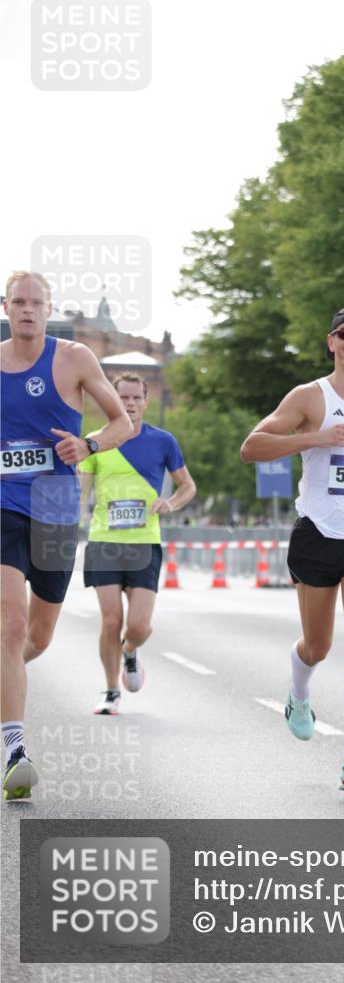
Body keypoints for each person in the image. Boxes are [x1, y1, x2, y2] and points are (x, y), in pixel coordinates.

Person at [240, 307, 344, 792]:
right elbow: (252, 446)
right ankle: (298, 693)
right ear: (332, 342)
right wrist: (317, 438)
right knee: (318, 645)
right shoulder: (311, 396)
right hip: (318, 532)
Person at [1, 271, 132, 801]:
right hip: (3, 505)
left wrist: (90, 445)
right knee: (9, 626)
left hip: (55, 508)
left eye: (36, 302)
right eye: (18, 302)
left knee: (37, 638)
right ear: (6, 307)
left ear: (48, 308)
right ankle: (14, 753)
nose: (27, 310)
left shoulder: (75, 357)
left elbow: (122, 422)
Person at [78, 373, 196, 716]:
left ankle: (130, 652)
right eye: (123, 398)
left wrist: (170, 503)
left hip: (144, 542)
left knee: (139, 627)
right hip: (104, 540)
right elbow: (79, 490)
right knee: (111, 621)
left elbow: (187, 486)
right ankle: (112, 690)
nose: (129, 404)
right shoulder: (95, 442)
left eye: (135, 398)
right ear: (111, 401)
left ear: (145, 401)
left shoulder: (163, 441)